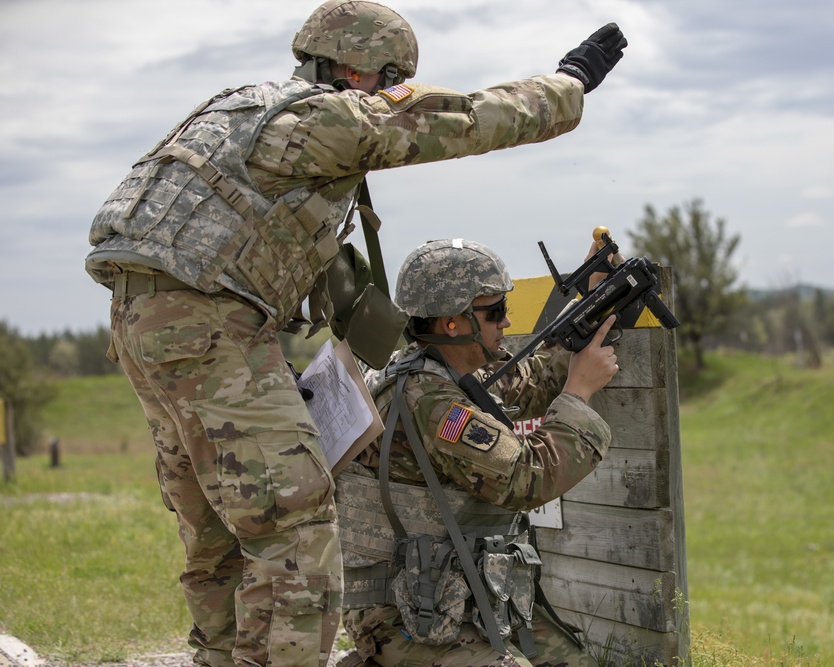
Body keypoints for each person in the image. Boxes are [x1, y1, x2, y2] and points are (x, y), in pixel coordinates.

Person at [84, 1, 627, 664]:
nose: (393, 96)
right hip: (215, 323)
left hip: (142, 319)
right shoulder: (326, 117)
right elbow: (467, 118)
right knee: (296, 528)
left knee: (219, 531)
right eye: (391, 82)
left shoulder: (236, 112)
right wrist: (569, 84)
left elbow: (323, 275)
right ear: (360, 71)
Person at [334, 238, 619, 666]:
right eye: (495, 311)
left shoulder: (431, 368)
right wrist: (578, 395)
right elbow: (529, 478)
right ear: (453, 323)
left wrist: (592, 302)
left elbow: (531, 379)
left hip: (447, 586)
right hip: (404, 608)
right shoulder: (433, 403)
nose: (507, 322)